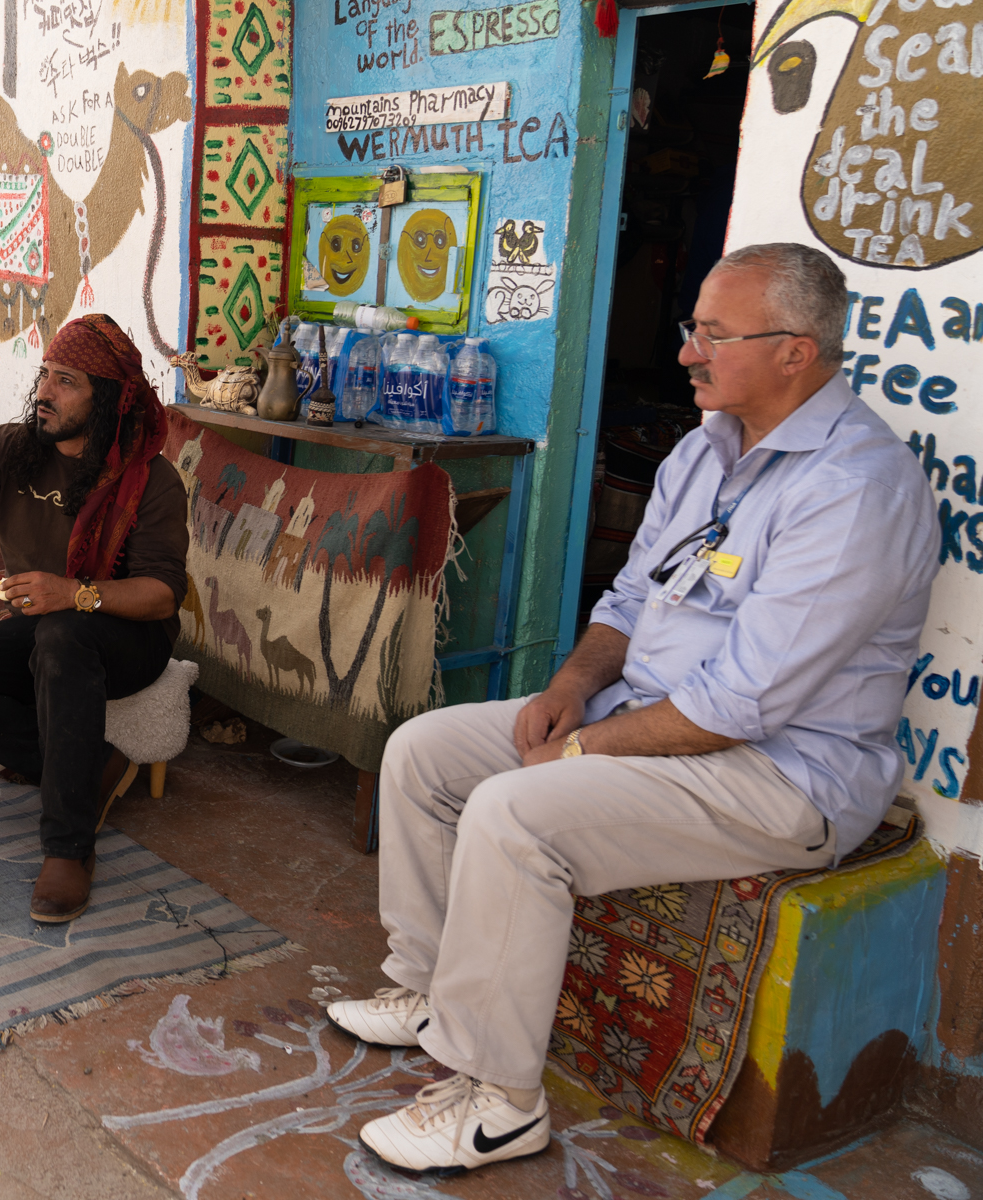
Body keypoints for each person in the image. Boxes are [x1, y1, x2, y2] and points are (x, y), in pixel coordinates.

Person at [334, 242, 938, 1171]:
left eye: (712, 333)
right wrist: (572, 689)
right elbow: (628, 601)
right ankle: (424, 988)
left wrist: (583, 755)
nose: (688, 351)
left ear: (796, 352)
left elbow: (742, 704)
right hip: (652, 714)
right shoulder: (704, 451)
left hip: (781, 773)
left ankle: (501, 1100)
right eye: (692, 327)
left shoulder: (857, 489)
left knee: (514, 811)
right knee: (424, 750)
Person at [0, 314, 187, 922]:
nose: (45, 393)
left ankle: (67, 847)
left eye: (68, 381)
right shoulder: (15, 446)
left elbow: (161, 595)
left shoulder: (149, 480)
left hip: (128, 635)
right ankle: (93, 767)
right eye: (46, 375)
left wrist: (74, 593)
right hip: (47, 623)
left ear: (106, 395)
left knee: (61, 635)